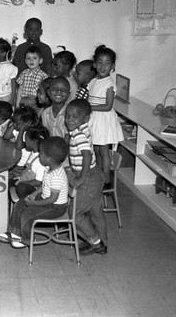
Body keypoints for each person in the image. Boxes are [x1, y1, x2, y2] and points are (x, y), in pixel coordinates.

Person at [0, 136, 69, 248]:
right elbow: (44, 186)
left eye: (41, 154)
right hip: (45, 200)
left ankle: (27, 239)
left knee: (27, 215)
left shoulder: (57, 176)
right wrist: (33, 194)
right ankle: (14, 233)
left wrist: (34, 204)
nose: (39, 156)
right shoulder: (49, 168)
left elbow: (52, 199)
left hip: (56, 207)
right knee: (20, 203)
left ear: (48, 158)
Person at [64, 99, 107, 255]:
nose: (69, 120)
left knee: (74, 213)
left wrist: (81, 178)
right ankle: (103, 242)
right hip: (95, 175)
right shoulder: (81, 128)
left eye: (75, 116)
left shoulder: (78, 134)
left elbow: (87, 155)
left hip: (88, 177)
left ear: (86, 118)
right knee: (96, 212)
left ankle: (95, 242)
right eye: (67, 116)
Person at [87, 45, 124, 187]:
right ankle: (99, 174)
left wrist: (89, 107)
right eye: (100, 63)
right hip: (93, 119)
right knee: (95, 150)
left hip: (103, 120)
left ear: (113, 66)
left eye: (107, 63)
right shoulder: (94, 81)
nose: (103, 66)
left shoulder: (109, 84)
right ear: (95, 64)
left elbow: (108, 106)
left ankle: (107, 179)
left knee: (104, 151)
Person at [9, 126, 49, 203]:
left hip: (35, 188)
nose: (24, 141)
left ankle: (28, 205)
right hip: (26, 180)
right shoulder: (33, 153)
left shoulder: (40, 161)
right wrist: (19, 177)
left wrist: (22, 182)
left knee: (21, 188)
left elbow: (39, 182)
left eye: (26, 138)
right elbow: (28, 172)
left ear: (32, 142)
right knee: (6, 180)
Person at [0, 38, 18, 104]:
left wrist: (12, 99)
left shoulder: (10, 67)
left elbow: (14, 84)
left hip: (6, 96)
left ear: (3, 53)